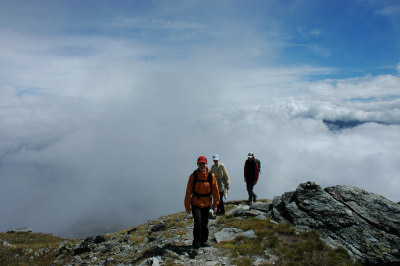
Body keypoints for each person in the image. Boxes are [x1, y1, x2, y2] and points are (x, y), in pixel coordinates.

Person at [185, 156, 220, 249]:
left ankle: (204, 240)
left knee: (204, 223)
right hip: (196, 203)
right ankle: (196, 242)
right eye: (200, 164)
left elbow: (215, 191)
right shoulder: (193, 176)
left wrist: (215, 205)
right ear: (197, 164)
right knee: (197, 222)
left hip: (207, 203)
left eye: (203, 163)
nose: (201, 165)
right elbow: (188, 192)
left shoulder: (211, 176)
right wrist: (187, 206)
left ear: (206, 164)